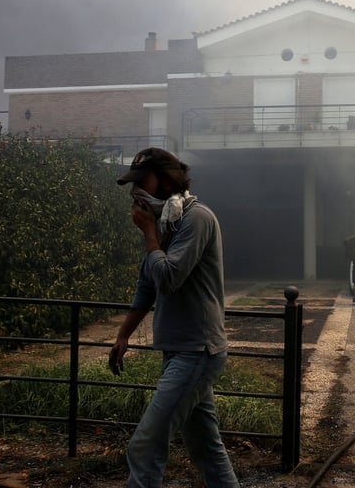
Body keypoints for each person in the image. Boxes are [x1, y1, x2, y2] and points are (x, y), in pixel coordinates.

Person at [109, 147, 239, 488]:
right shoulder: (170, 220)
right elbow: (147, 284)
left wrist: (149, 235)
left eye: (143, 182)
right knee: (206, 449)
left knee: (145, 445)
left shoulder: (196, 219)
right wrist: (123, 335)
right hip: (179, 351)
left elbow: (167, 278)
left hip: (197, 352)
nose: (137, 192)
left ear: (166, 179)